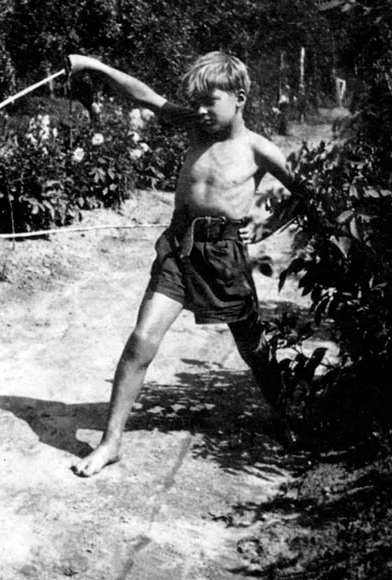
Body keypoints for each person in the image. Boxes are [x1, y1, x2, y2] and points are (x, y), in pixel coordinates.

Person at [65, 52, 306, 478]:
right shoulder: (195, 127)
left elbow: (305, 192)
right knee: (141, 339)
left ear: (240, 97)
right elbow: (146, 97)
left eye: (210, 100)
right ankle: (111, 442)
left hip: (225, 257)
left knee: (253, 348)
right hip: (179, 247)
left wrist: (267, 227)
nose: (200, 110)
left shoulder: (258, 150)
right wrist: (98, 67)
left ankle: (286, 415)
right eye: (195, 102)